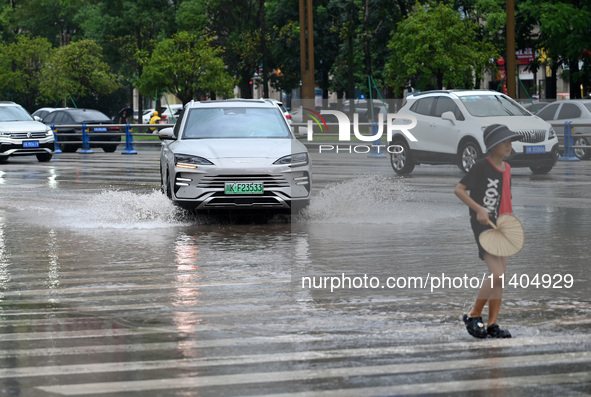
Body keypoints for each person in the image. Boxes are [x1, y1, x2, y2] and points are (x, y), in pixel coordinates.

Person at [454, 124, 521, 339]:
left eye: (510, 142)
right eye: (504, 142)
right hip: (483, 226)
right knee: (497, 274)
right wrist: (479, 209)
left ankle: (492, 324)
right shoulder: (481, 167)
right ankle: (473, 314)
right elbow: (459, 190)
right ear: (493, 146)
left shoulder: (508, 169)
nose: (509, 145)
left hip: (502, 227)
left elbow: (507, 200)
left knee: (500, 279)